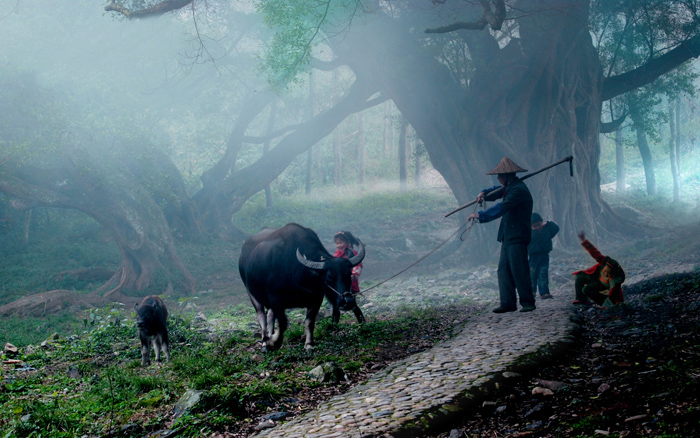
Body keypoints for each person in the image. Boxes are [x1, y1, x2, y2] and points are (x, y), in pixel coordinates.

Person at [468, 156, 536, 313]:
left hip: (517, 235)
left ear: (508, 176)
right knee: (504, 269)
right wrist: (484, 193)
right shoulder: (509, 187)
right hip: (508, 235)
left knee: (519, 269)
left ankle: (527, 302)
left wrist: (481, 215)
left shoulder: (518, 190)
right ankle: (507, 303)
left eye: (500, 176)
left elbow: (502, 207)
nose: (498, 178)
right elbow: (495, 191)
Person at [572, 231, 625, 307]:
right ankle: (581, 299)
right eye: (605, 271)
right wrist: (584, 241)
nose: (606, 274)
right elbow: (594, 252)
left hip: (601, 284)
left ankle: (604, 303)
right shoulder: (603, 261)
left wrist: (617, 304)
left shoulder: (615, 280)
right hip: (594, 277)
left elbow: (616, 293)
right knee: (579, 276)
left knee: (586, 290)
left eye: (608, 273)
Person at [528, 212, 559, 300]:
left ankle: (544, 292)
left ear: (542, 222)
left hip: (544, 256)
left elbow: (556, 228)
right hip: (533, 257)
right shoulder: (529, 233)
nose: (538, 227)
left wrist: (547, 224)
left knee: (543, 274)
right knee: (532, 275)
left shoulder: (547, 230)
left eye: (539, 224)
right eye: (535, 226)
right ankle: (531, 292)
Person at [333, 231, 363, 295]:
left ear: (347, 242)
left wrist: (354, 275)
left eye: (341, 243)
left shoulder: (353, 253)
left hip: (351, 286)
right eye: (337, 243)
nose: (338, 245)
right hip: (338, 287)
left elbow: (358, 266)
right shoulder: (335, 256)